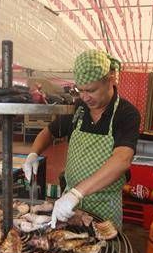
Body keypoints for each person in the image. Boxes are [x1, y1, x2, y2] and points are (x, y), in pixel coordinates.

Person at [23, 50, 140, 228]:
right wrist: (33, 153)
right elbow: (49, 132)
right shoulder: (79, 109)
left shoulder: (126, 113)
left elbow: (122, 160)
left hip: (104, 207)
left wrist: (77, 193)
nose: (85, 97)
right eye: (80, 90)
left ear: (110, 79)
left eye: (91, 90)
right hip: (70, 207)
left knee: (103, 252)